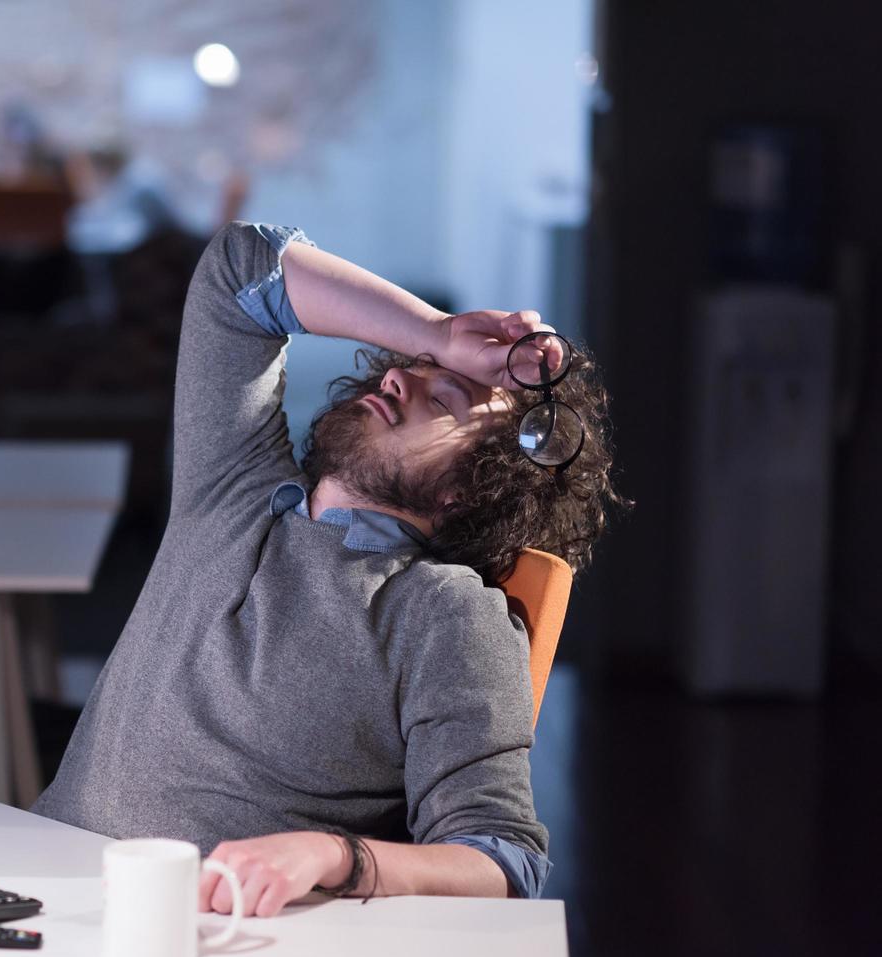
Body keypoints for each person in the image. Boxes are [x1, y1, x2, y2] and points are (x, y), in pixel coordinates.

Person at [31, 222, 623, 917]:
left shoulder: (441, 609)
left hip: (205, 940)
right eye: (407, 363)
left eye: (442, 399)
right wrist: (436, 333)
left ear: (470, 487)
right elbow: (239, 269)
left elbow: (504, 858)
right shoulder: (231, 488)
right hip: (42, 892)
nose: (400, 374)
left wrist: (333, 855)